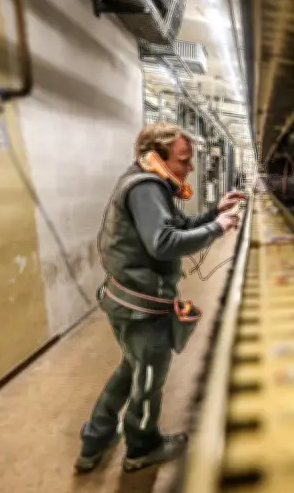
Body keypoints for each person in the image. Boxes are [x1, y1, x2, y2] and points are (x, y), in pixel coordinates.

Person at [75, 122, 246, 473]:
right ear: (157, 156)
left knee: (132, 367)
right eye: (185, 160)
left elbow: (177, 226)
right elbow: (163, 243)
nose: (191, 167)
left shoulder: (146, 180)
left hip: (127, 300)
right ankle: (142, 446)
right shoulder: (147, 187)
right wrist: (218, 228)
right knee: (149, 377)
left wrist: (214, 212)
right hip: (140, 307)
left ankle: (97, 436)